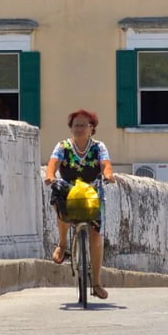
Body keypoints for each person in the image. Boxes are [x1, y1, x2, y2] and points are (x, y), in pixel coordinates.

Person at [45, 109, 115, 299]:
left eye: (84, 125)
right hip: (69, 189)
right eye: (76, 125)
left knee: (95, 234)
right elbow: (53, 163)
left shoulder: (98, 147)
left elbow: (105, 164)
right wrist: (50, 176)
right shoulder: (63, 146)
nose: (79, 128)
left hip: (92, 191)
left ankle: (97, 283)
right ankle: (62, 244)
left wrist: (108, 174)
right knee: (60, 206)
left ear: (92, 129)